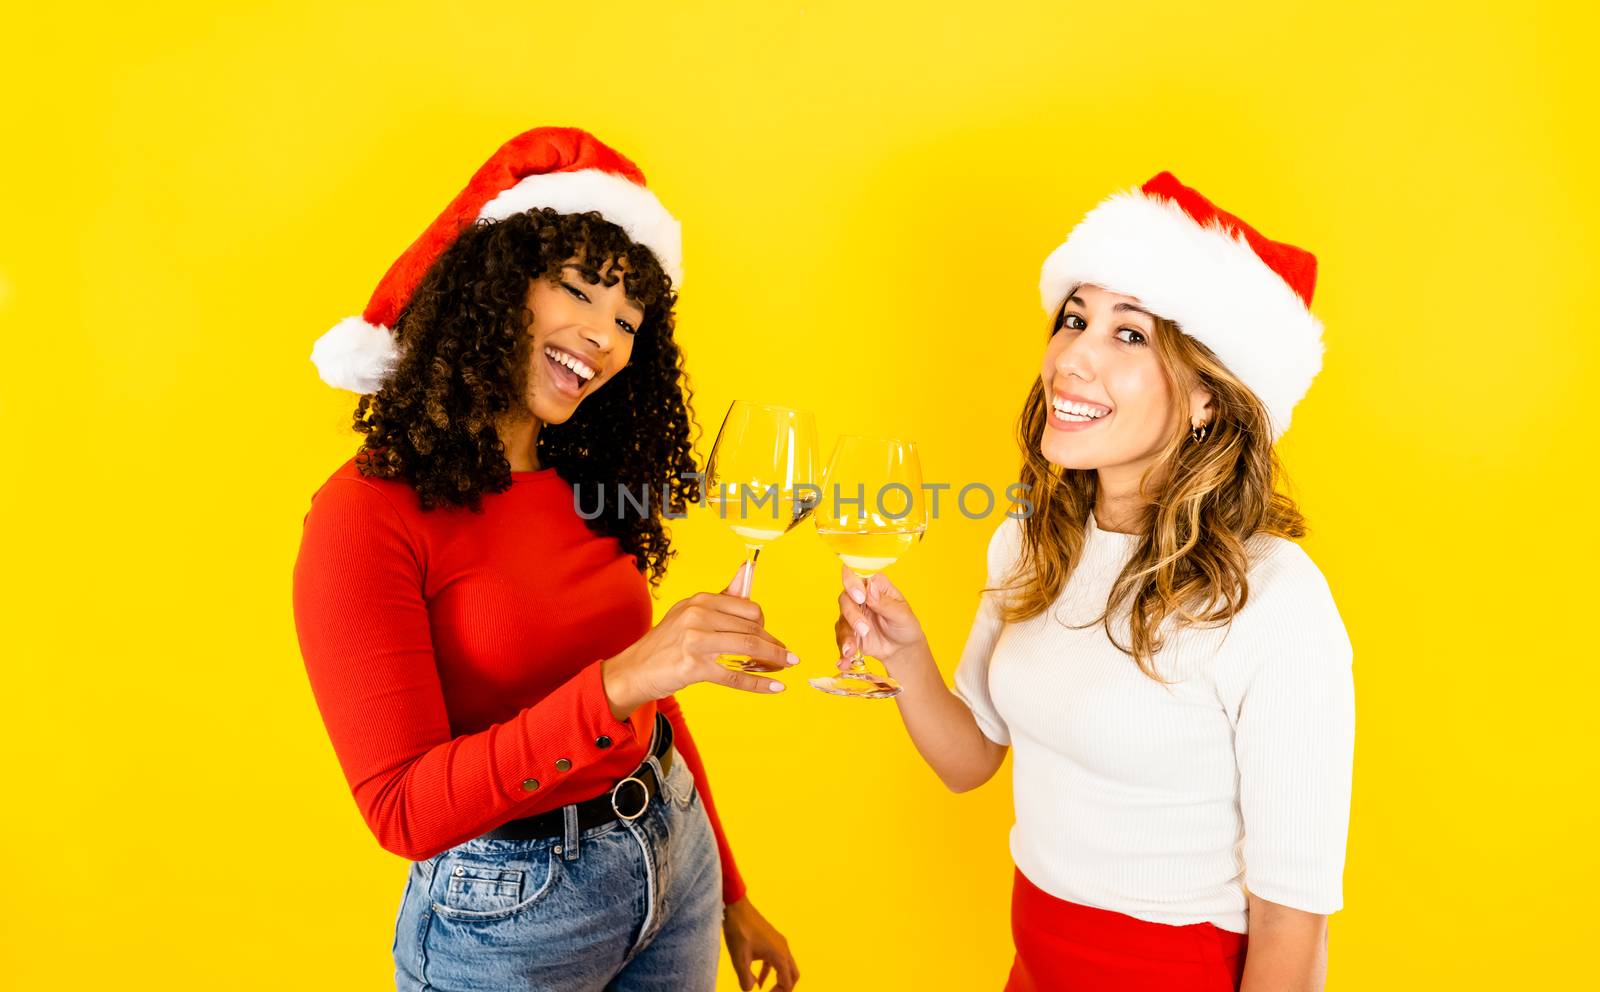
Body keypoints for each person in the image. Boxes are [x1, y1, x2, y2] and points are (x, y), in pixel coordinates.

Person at [293, 127, 800, 992]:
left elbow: (648, 713)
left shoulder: (589, 478)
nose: (604, 336)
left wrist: (729, 892)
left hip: (673, 858)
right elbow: (402, 808)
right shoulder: (364, 515)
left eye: (628, 321)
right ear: (494, 287)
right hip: (510, 922)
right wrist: (624, 678)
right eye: (577, 290)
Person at [831, 173, 1354, 991]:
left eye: (1130, 335)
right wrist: (904, 657)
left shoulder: (1275, 599)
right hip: (1034, 967)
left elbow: (1294, 922)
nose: (1073, 356)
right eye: (1074, 320)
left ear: (1207, 399)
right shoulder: (1030, 545)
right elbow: (972, 757)